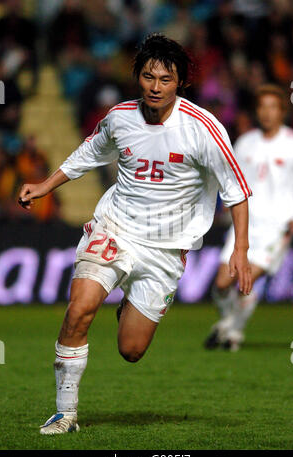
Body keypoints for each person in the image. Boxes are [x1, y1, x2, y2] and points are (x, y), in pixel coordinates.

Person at [18, 34, 252, 435]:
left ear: (180, 83)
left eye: (165, 79)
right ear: (138, 77)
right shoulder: (120, 117)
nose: (156, 87)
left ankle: (127, 306)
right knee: (79, 309)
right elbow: (87, 153)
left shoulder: (203, 128)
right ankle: (65, 412)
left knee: (131, 350)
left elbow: (236, 190)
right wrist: (44, 185)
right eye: (148, 77)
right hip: (116, 227)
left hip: (166, 247)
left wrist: (240, 250)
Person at [204, 84, 293, 352]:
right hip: (244, 223)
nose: (267, 113)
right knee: (222, 284)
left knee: (247, 282)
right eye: (262, 107)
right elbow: (233, 180)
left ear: (282, 111)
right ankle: (227, 324)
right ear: (257, 111)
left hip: (277, 226)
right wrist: (225, 204)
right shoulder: (245, 142)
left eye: (273, 107)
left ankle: (232, 333)